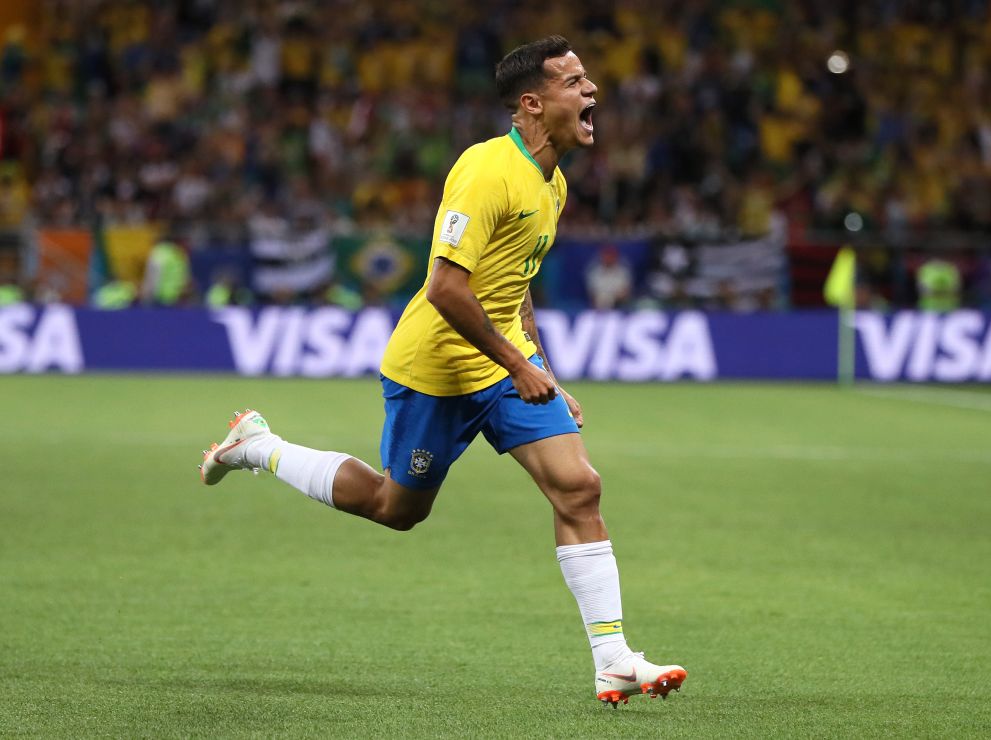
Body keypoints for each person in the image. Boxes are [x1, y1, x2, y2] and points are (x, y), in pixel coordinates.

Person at [198, 36, 686, 707]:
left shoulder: (556, 184)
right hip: (433, 370)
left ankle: (612, 659)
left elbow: (514, 283)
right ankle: (260, 446)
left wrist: (542, 370)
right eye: (576, 81)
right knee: (394, 508)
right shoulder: (487, 171)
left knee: (579, 487)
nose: (592, 90)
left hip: (503, 368)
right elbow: (446, 289)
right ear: (533, 104)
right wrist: (519, 362)